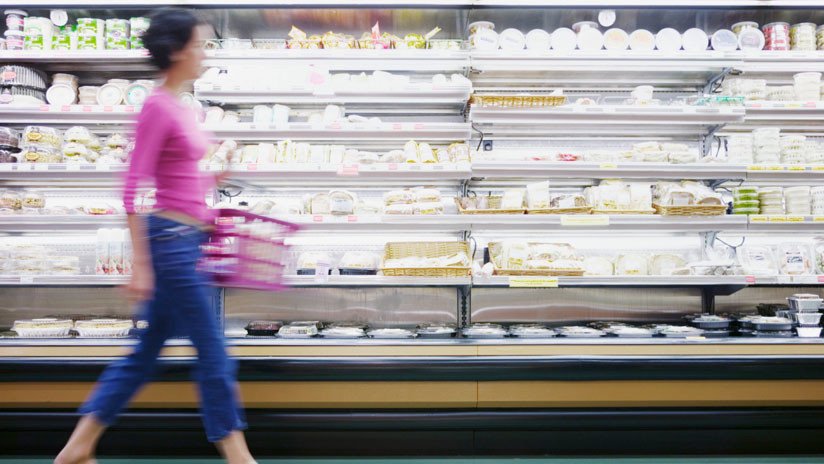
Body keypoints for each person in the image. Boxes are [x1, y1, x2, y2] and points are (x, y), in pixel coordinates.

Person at [54, 8, 256, 464]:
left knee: (144, 354)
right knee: (214, 354)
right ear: (179, 50)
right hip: (171, 247)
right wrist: (140, 265)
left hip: (187, 242)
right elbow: (133, 187)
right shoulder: (156, 105)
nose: (205, 53)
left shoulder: (180, 105)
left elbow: (178, 179)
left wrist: (215, 173)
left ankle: (77, 448)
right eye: (201, 45)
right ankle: (240, 458)